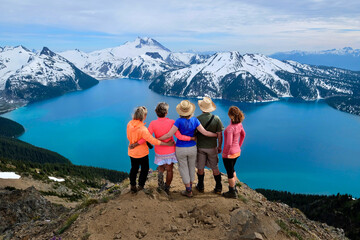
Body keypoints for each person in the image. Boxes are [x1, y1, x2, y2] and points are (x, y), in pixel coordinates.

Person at [129, 102, 195, 194]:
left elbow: (146, 138)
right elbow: (179, 136)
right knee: (169, 169)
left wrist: (136, 144)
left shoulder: (152, 124)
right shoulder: (172, 122)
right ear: (166, 113)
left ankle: (160, 183)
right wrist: (190, 138)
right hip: (170, 149)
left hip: (159, 150)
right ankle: (167, 187)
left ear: (156, 112)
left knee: (161, 167)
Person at [158, 100, 217, 198]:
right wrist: (216, 135)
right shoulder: (195, 120)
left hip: (180, 148)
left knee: (183, 168)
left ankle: (188, 190)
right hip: (192, 148)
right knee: (191, 167)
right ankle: (190, 186)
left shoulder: (178, 121)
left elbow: (169, 134)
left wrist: (157, 139)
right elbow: (205, 133)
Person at [127, 106, 174, 193]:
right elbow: (153, 141)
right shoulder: (143, 129)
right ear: (143, 116)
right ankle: (141, 186)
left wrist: (134, 144)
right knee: (144, 169)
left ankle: (133, 186)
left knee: (134, 168)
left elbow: (129, 136)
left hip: (132, 152)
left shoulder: (129, 124)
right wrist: (166, 144)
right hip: (142, 153)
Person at [195, 97, 224, 194]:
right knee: (215, 167)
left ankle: (201, 186)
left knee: (200, 167)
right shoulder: (216, 119)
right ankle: (219, 187)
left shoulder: (197, 119)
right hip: (212, 147)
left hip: (200, 147)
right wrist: (219, 146)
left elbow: (194, 134)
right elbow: (220, 135)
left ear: (202, 108)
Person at [222, 106, 246, 198]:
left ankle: (232, 192)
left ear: (230, 115)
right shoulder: (239, 124)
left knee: (229, 172)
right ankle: (234, 187)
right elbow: (243, 135)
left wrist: (226, 154)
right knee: (232, 169)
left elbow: (228, 144)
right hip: (237, 152)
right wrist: (239, 146)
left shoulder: (230, 128)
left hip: (229, 153)